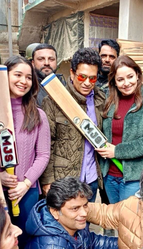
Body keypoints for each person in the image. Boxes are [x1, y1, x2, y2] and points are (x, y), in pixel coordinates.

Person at [0, 55, 50, 249]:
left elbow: (43, 155)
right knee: (0, 244)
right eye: (17, 74)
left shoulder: (38, 115)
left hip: (27, 193)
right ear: (5, 75)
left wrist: (25, 184)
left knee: (26, 242)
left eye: (28, 77)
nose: (23, 81)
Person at [95, 55, 143, 203]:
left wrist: (117, 151)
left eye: (130, 77)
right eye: (120, 80)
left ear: (138, 75)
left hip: (134, 177)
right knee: (111, 222)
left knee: (129, 223)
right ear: (114, 81)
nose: (126, 83)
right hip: (109, 174)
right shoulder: (109, 103)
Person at [41, 48, 105, 202]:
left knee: (85, 223)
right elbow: (47, 143)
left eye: (93, 78)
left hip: (91, 179)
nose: (87, 83)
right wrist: (47, 180)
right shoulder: (53, 101)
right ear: (72, 73)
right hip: (63, 179)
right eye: (82, 77)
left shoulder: (100, 100)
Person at [22, 177, 118, 249]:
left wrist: (127, 244)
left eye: (85, 205)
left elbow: (91, 241)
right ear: (55, 212)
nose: (84, 213)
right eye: (75, 208)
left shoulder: (73, 224)